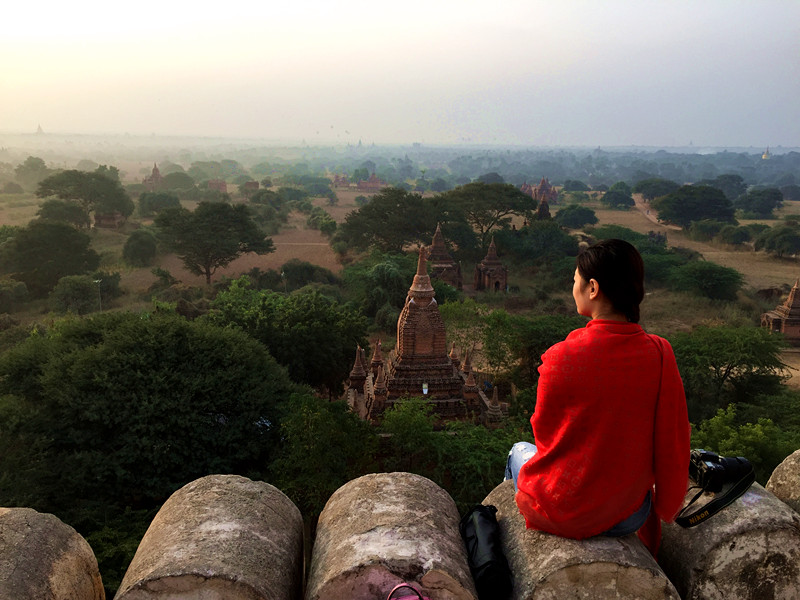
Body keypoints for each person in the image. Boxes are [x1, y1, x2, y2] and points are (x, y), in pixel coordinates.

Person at [505, 239, 690, 554]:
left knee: (518, 452)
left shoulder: (559, 357)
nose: (571, 286)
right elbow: (673, 439)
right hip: (628, 515)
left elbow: (546, 435)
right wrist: (667, 507)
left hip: (561, 509)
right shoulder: (659, 353)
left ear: (593, 288)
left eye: (575, 280)